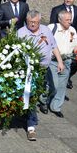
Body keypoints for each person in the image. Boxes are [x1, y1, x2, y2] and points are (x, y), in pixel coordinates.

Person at [17, 10, 64, 141]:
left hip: (45, 67)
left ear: (39, 21)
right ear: (26, 21)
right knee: (30, 94)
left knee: (51, 88)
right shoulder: (21, 32)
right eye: (30, 22)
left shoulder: (45, 30)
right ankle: (31, 126)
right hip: (29, 71)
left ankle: (30, 111)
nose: (32, 24)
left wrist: (60, 61)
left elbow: (54, 46)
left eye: (35, 22)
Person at [47, 10, 77, 118]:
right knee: (53, 85)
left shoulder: (72, 30)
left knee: (61, 86)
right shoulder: (52, 28)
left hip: (67, 61)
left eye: (70, 19)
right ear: (60, 20)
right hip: (53, 61)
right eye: (67, 20)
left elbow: (76, 46)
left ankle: (55, 107)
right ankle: (43, 99)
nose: (70, 22)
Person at [49, 0, 77, 89]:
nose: (68, 0)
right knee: (59, 62)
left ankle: (67, 77)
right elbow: (52, 26)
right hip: (60, 41)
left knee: (74, 65)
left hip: (73, 41)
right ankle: (58, 80)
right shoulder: (56, 9)